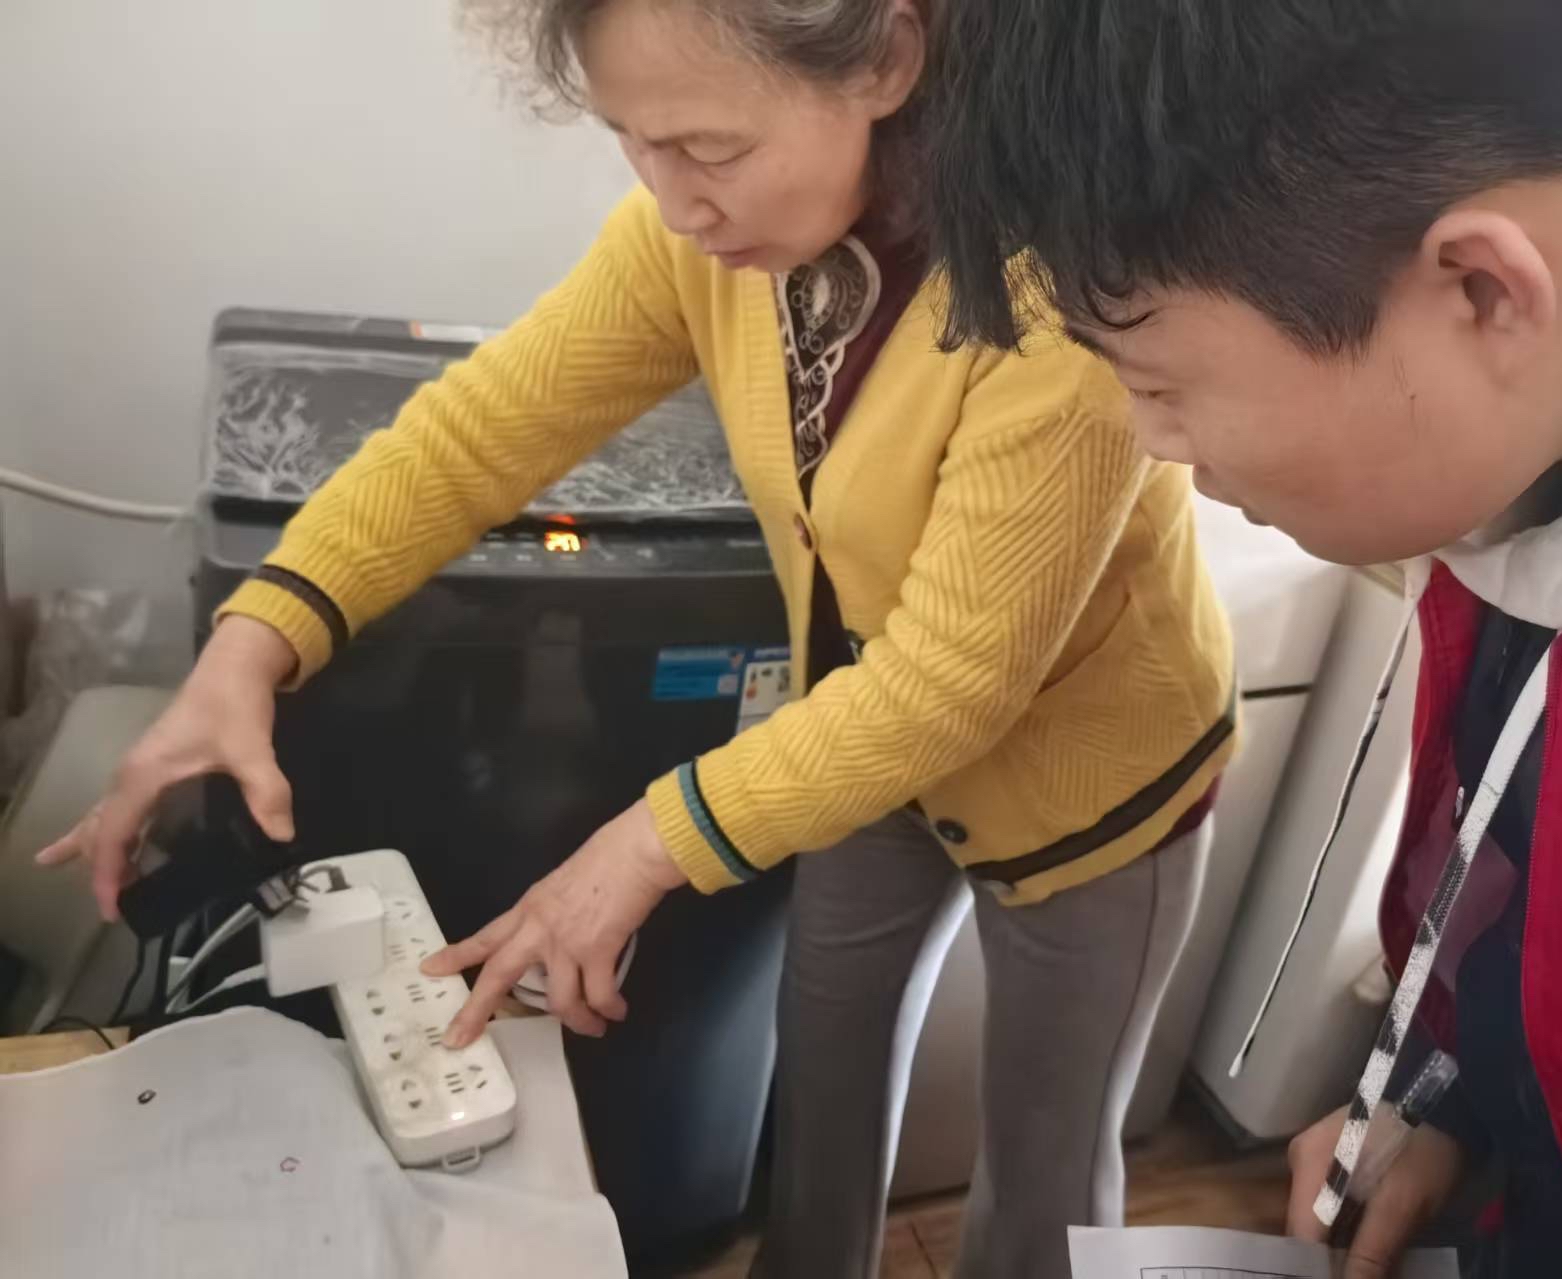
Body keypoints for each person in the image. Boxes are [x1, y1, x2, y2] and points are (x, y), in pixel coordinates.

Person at [38, 1, 1237, 1274]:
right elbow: (475, 435)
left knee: (1047, 1172)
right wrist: (255, 637)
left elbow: (949, 685)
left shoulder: (1057, 294)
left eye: (710, 149)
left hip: (1089, 788)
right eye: (632, 141)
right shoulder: (708, 247)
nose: (671, 202)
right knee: (820, 1087)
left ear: (887, 61)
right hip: (857, 748)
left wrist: (642, 845)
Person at [919, 1, 1562, 1276]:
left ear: (1482, 291)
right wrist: (1447, 1106)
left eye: (1160, 384)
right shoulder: (1531, 481)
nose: (1154, 443)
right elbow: (1543, 908)